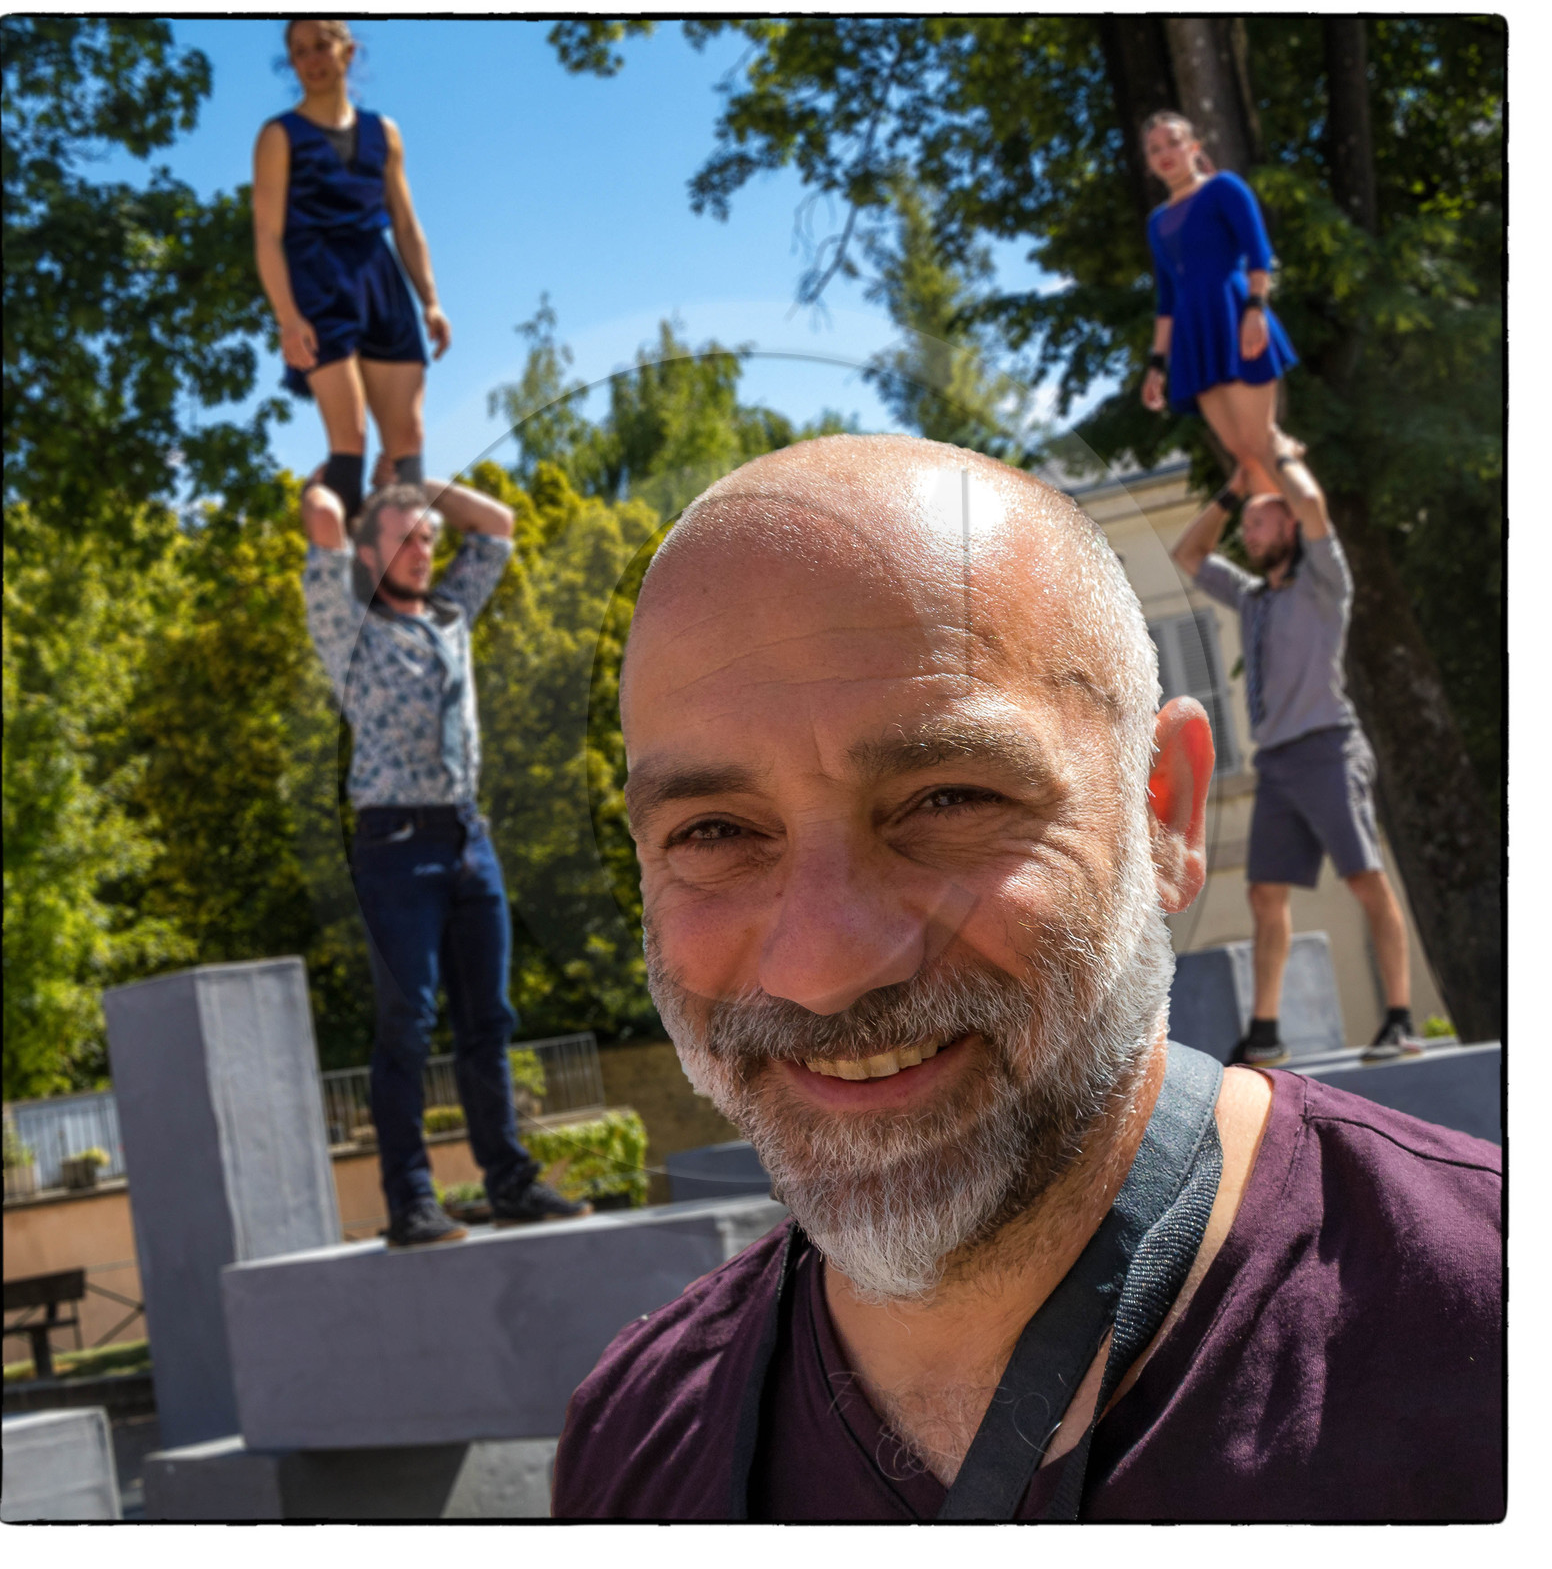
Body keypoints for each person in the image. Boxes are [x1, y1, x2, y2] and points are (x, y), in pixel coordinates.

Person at [551, 434, 1500, 1521]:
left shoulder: (1500, 1324)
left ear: (1165, 812)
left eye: (947, 799)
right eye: (715, 830)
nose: (820, 967)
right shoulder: (630, 1447)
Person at [300, 464, 590, 1246]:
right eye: (407, 539)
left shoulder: (452, 614)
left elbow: (495, 526)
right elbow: (324, 518)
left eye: (429, 537)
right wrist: (336, 488)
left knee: (489, 1020)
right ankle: (412, 1203)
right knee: (407, 1022)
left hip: (469, 840)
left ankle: (511, 1185)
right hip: (396, 847)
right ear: (370, 555)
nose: (426, 548)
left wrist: (424, 489)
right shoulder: (347, 624)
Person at [1171, 436, 1423, 1066]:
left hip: (1329, 748)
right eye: (1247, 524)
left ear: (1288, 521)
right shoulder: (1252, 598)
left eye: (1260, 521)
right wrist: (1234, 489)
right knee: (1264, 895)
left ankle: (1400, 1018)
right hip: (1277, 763)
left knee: (1365, 879)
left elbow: (1313, 503)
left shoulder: (1324, 582)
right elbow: (1189, 552)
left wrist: (1278, 455)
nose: (1249, 534)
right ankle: (1266, 1033)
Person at [255, 19, 450, 527]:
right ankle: (339, 580)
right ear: (292, 63)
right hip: (319, 286)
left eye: (322, 45)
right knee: (351, 439)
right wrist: (287, 316)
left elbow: (406, 224)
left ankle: (400, 580)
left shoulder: (384, 133)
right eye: (300, 51)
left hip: (380, 280)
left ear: (348, 51)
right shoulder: (280, 136)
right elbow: (267, 236)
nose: (312, 59)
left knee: (406, 441)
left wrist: (430, 299)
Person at [1139, 111, 1299, 500]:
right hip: (1193, 337)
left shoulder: (1224, 188)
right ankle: (1287, 549)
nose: (1165, 153)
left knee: (1260, 443)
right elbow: (1168, 298)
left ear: (1194, 148)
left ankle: (1314, 533)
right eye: (1155, 148)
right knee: (1243, 454)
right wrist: (1157, 364)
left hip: (1235, 316)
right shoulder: (1156, 222)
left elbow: (1259, 254)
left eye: (1173, 143)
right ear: (1148, 162)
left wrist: (1255, 310)